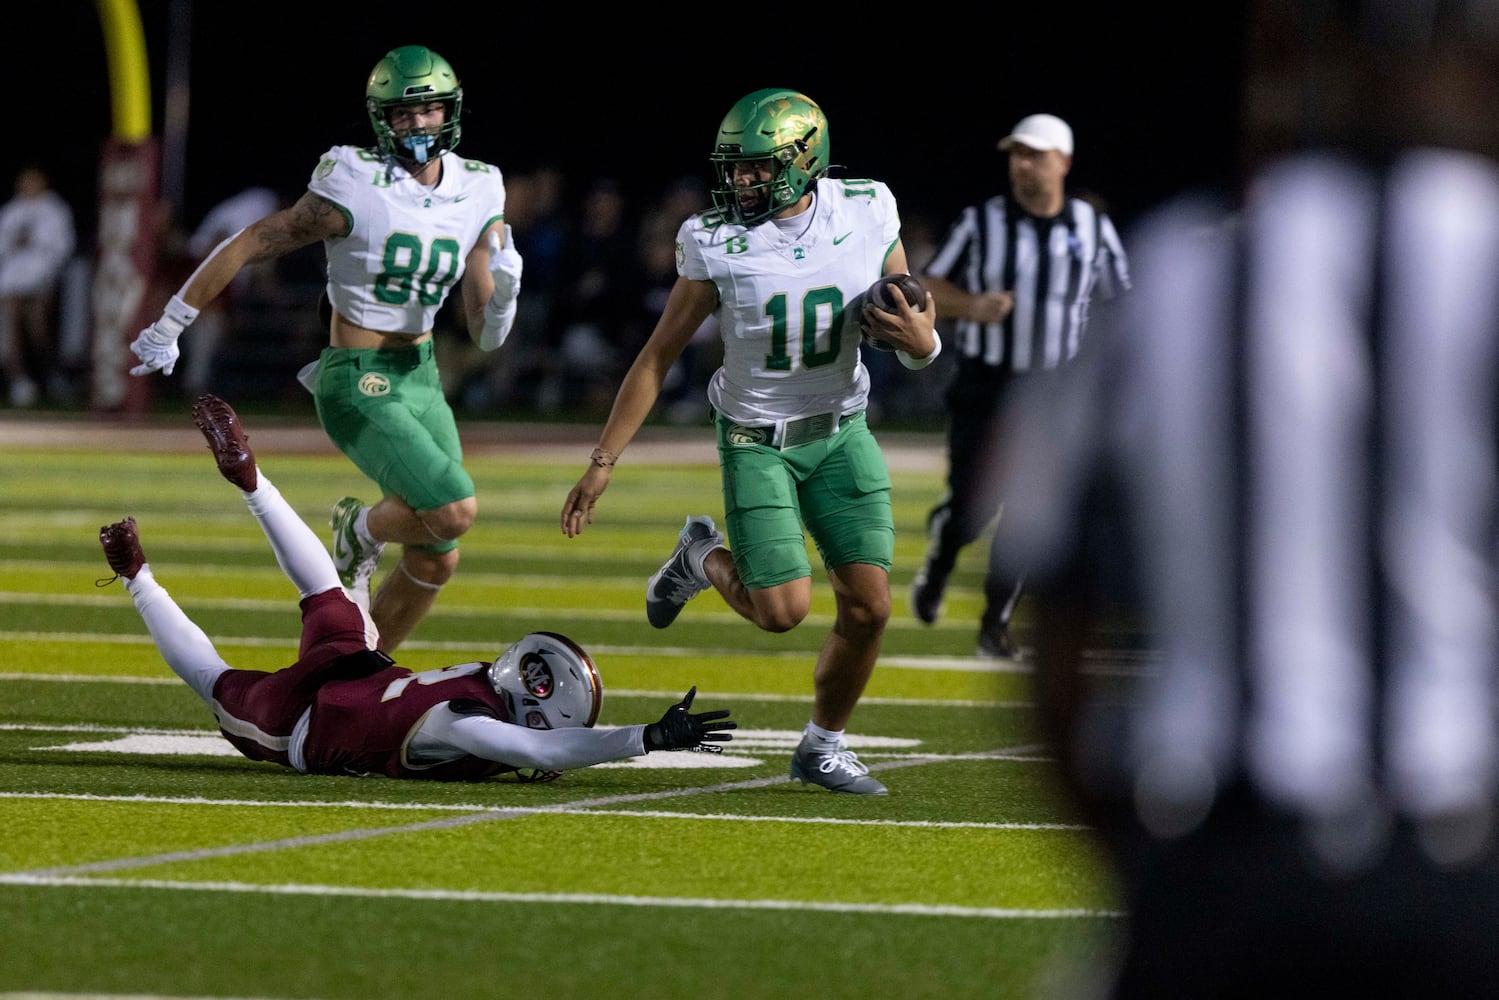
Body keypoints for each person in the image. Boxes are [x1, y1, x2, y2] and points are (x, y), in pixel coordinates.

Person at [991, 1, 1499, 995]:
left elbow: (1048, 622)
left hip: (1214, 864)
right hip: (1458, 866)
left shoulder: (1168, 275)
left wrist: (1147, 877)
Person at [558, 88, 941, 795]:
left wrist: (924, 342)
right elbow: (656, 355)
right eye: (734, 169)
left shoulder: (865, 207)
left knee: (870, 606)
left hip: (840, 429)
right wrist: (601, 462)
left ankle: (822, 746)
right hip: (754, 437)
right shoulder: (713, 240)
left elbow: (905, 306)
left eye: (757, 169)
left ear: (805, 160)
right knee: (781, 613)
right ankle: (698, 553)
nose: (740, 182)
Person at [96, 394, 735, 782]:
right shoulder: (467, 723)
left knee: (324, 588)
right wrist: (644, 738)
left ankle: (254, 481)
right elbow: (541, 751)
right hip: (301, 725)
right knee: (211, 681)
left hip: (362, 666)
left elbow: (537, 741)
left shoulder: (482, 685)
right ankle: (136, 576)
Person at [126, 45, 524, 654]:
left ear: (451, 111)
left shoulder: (480, 186)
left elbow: (484, 332)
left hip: (420, 375)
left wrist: (504, 299)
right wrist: (173, 319)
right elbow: (254, 239)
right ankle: (356, 527)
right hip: (356, 377)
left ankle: (353, 675)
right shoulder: (353, 176)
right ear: (380, 119)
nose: (417, 125)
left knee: (439, 556)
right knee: (454, 509)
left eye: (429, 111)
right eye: (402, 114)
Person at [911, 113, 1129, 659]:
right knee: (971, 510)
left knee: (1029, 510)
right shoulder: (981, 221)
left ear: (1063, 161)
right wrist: (970, 306)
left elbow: (1122, 299)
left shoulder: (1093, 227)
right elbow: (927, 282)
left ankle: (994, 622)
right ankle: (942, 559)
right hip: (986, 384)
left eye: (1033, 154)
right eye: (1015, 154)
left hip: (1053, 388)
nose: (1021, 163)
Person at [0, 164, 76, 407]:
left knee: (37, 327)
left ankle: (52, 376)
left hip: (41, 276)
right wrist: (16, 242)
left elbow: (62, 245)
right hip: (11, 278)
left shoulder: (55, 209)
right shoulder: (11, 210)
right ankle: (19, 380)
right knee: (10, 328)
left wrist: (46, 270)